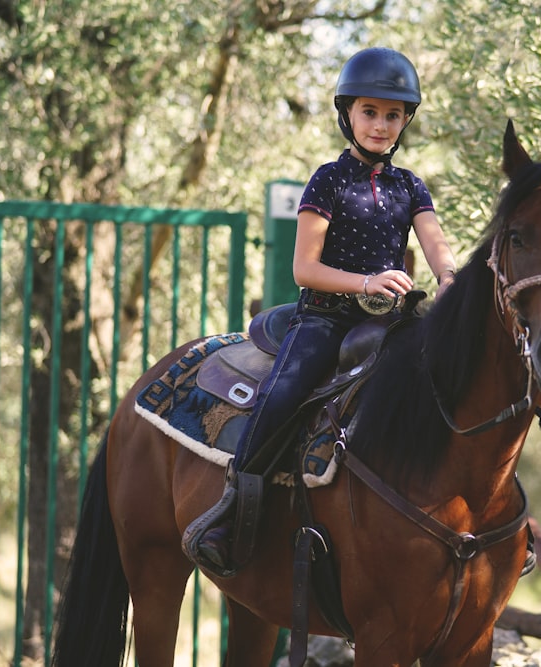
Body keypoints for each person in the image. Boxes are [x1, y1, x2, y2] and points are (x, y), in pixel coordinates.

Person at [186, 47, 458, 576]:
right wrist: (366, 281)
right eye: (370, 112)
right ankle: (230, 510)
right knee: (285, 391)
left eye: (393, 115)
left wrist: (450, 283)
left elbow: (437, 249)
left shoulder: (410, 187)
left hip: (390, 322)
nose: (381, 125)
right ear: (347, 114)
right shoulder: (328, 181)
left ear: (406, 121)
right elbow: (303, 269)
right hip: (325, 319)